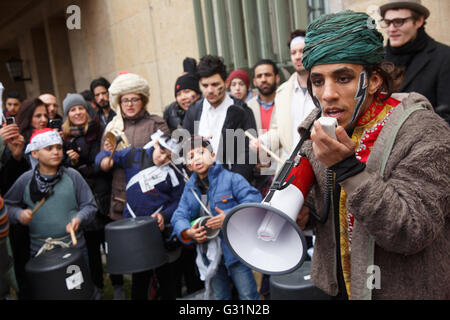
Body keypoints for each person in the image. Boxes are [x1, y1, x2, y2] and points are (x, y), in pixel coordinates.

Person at [295, 10, 450, 300]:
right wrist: (305, 213)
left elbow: (411, 230)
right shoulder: (320, 128)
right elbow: (329, 208)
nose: (327, 94)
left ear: (375, 80)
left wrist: (347, 169)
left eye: (343, 78)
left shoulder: (424, 132)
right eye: (317, 81)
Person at [101, 72, 169, 298]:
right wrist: (104, 161)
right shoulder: (113, 128)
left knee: (161, 262)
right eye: (125, 100)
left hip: (153, 200)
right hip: (125, 203)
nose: (130, 105)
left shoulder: (155, 123)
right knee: (138, 264)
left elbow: (169, 155)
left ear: (143, 101)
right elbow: (103, 158)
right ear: (119, 102)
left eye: (135, 99)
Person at [96, 130, 185, 300]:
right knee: (140, 279)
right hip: (134, 229)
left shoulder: (175, 169)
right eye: (162, 153)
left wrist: (165, 216)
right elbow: (103, 155)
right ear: (157, 144)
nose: (163, 159)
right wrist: (103, 161)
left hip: (158, 230)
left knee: (167, 278)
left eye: (169, 157)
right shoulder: (134, 155)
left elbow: (178, 200)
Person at [171, 136, 261, 300]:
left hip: (235, 250)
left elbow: (254, 200)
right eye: (191, 156)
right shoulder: (189, 189)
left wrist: (229, 216)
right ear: (189, 165)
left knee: (248, 293)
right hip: (210, 254)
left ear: (213, 156)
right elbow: (179, 215)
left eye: (201, 152)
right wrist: (187, 231)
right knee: (219, 295)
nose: (196, 157)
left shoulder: (232, 179)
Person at [4, 128, 96, 258]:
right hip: (41, 251)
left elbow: (90, 205)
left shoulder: (73, 176)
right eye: (49, 148)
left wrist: (79, 218)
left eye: (59, 147)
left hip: (74, 247)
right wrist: (19, 214)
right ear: (35, 153)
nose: (56, 152)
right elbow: (6, 206)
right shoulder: (25, 180)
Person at [61, 93, 113, 299]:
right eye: (72, 110)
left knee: (111, 246)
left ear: (86, 110)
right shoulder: (64, 138)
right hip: (82, 200)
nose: (77, 112)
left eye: (80, 108)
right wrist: (71, 163)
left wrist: (83, 166)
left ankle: (117, 284)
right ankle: (97, 287)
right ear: (67, 115)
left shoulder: (99, 130)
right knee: (92, 250)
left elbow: (103, 163)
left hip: (104, 196)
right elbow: (64, 171)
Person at [182, 55, 257, 183]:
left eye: (215, 84)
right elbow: (185, 148)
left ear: (226, 82)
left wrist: (231, 185)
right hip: (203, 187)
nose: (210, 90)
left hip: (235, 187)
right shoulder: (193, 111)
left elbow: (248, 155)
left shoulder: (242, 110)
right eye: (205, 85)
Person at [251, 30, 317, 173]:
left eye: (302, 51)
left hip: (318, 165)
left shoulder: (323, 86)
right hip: (290, 167)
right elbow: (278, 130)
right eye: (293, 53)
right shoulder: (282, 92)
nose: (298, 56)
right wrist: (263, 141)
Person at [380, 0, 450, 124]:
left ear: (418, 21)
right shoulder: (377, 57)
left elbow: (446, 114)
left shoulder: (444, 56)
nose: (391, 29)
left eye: (398, 22)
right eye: (388, 22)